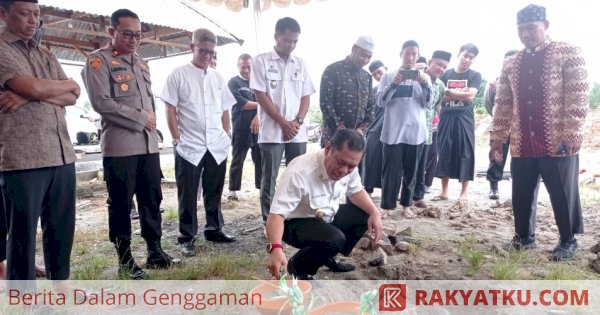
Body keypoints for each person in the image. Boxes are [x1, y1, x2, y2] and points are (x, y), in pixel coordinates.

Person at [82, 9, 179, 279]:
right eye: (127, 34)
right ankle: (125, 259)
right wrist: (142, 119)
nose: (134, 39)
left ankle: (155, 252)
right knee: (121, 204)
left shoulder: (141, 63)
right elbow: (101, 103)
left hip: (147, 146)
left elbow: (146, 102)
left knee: (151, 199)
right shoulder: (97, 62)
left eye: (138, 35)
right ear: (111, 32)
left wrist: (151, 125)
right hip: (120, 146)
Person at [490, 4, 588, 261]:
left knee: (562, 192)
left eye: (531, 28)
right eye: (520, 30)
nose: (525, 34)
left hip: (558, 139)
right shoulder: (511, 62)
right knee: (521, 190)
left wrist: (572, 133)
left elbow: (578, 96)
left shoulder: (569, 53)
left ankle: (568, 241)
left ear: (546, 26)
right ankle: (524, 237)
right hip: (523, 140)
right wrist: (497, 139)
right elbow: (503, 104)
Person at [0, 0, 80, 280]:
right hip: (23, 157)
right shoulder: (1, 49)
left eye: (36, 14)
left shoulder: (46, 54)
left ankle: (61, 289)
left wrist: (26, 95)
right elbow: (35, 86)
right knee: (21, 236)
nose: (32, 20)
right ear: (3, 14)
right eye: (24, 13)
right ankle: (23, 303)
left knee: (61, 229)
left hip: (62, 154)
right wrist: (35, 90)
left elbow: (74, 93)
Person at [266, 129, 383, 280]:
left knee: (364, 214)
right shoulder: (300, 172)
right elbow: (276, 215)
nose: (344, 170)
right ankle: (299, 266)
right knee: (334, 239)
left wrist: (375, 213)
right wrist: (275, 248)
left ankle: (325, 256)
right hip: (294, 224)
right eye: (341, 162)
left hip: (325, 217)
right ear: (328, 148)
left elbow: (356, 191)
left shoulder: (349, 165)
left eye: (351, 166)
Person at [161, 28, 237, 257]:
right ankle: (187, 236)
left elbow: (225, 108)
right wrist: (176, 138)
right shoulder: (178, 74)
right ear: (191, 47)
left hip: (216, 144)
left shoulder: (218, 77)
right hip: (189, 145)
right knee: (188, 194)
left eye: (211, 52)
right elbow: (170, 108)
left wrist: (226, 133)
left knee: (214, 190)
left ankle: (214, 229)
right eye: (202, 50)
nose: (207, 56)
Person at [250, 17, 316, 224]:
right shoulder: (261, 61)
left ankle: (294, 219)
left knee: (298, 175)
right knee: (268, 178)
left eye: (295, 41)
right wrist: (282, 122)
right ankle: (269, 222)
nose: (291, 45)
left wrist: (297, 121)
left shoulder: (301, 63)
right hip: (271, 131)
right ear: (276, 37)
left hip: (297, 132)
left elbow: (306, 96)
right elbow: (261, 95)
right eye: (287, 40)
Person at [378, 40, 432, 219]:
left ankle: (406, 205)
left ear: (418, 56)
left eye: (414, 54)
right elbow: (380, 101)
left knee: (412, 172)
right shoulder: (388, 76)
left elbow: (429, 103)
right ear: (400, 54)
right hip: (393, 132)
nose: (410, 57)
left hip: (416, 133)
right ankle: (386, 206)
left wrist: (424, 83)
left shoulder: (425, 78)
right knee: (390, 171)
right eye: (407, 53)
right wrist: (393, 84)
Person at [434, 43, 482, 203]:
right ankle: (444, 191)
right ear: (459, 55)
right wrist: (459, 94)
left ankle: (464, 192)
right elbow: (440, 97)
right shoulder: (445, 74)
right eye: (465, 56)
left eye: (471, 58)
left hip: (465, 116)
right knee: (444, 149)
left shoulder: (475, 75)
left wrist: (449, 92)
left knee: (466, 150)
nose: (467, 60)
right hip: (446, 115)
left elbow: (470, 96)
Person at [412, 51, 452, 208]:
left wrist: (442, 124)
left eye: (444, 67)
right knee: (409, 166)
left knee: (422, 165)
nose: (441, 69)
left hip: (428, 132)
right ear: (430, 62)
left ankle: (417, 196)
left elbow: (437, 107)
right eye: (439, 64)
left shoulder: (440, 85)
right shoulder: (417, 77)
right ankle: (402, 195)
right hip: (411, 131)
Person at [319, 36, 375, 147]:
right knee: (330, 164)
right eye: (362, 55)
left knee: (353, 165)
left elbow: (371, 107)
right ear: (353, 49)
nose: (365, 60)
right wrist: (342, 130)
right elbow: (326, 104)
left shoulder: (367, 77)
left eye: (369, 57)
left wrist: (361, 130)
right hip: (334, 136)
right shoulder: (333, 70)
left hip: (358, 139)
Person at [227, 54, 262, 202]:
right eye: (243, 67)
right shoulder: (233, 82)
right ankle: (232, 191)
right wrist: (262, 106)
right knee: (237, 159)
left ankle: (261, 188)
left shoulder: (259, 83)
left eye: (249, 67)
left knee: (260, 159)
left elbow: (269, 102)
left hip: (259, 127)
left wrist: (257, 116)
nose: (246, 70)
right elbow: (244, 104)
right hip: (241, 127)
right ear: (238, 66)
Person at [484, 49, 518, 200]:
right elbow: (488, 103)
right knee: (497, 156)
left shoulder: (526, 82)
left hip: (520, 128)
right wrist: (499, 119)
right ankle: (494, 187)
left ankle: (519, 189)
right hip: (500, 128)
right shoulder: (495, 82)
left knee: (520, 160)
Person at [362, 60, 387, 195]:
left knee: (389, 162)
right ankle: (368, 190)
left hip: (392, 130)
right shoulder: (372, 91)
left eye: (380, 72)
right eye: (375, 74)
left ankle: (388, 191)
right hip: (374, 129)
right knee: (370, 160)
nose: (378, 76)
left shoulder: (398, 87)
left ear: (386, 69)